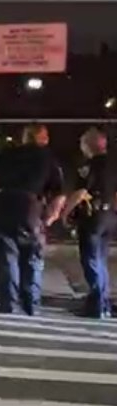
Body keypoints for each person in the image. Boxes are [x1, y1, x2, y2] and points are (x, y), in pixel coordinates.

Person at [0, 124, 65, 316]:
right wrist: (52, 215)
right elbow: (59, 192)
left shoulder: (7, 154)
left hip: (3, 203)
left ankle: (8, 303)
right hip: (29, 205)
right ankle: (31, 303)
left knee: (7, 255)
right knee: (32, 254)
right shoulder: (47, 157)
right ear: (42, 138)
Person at [46, 127, 117, 319]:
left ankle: (96, 306)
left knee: (91, 261)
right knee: (100, 260)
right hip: (110, 216)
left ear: (88, 145)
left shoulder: (89, 166)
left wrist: (65, 213)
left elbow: (80, 193)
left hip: (93, 217)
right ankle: (103, 304)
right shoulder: (113, 165)